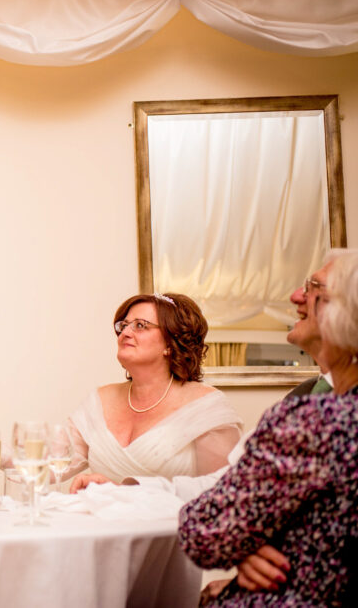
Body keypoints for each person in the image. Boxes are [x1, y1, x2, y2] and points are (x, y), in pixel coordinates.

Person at [178, 250, 358, 606]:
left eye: (312, 287)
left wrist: (242, 541)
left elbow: (204, 529)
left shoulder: (313, 422)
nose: (294, 296)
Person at [65, 293, 242, 485]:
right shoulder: (99, 400)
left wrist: (118, 492)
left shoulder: (207, 407)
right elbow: (54, 461)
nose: (125, 333)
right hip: (98, 515)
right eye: (123, 326)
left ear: (170, 344)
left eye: (140, 325)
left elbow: (221, 494)